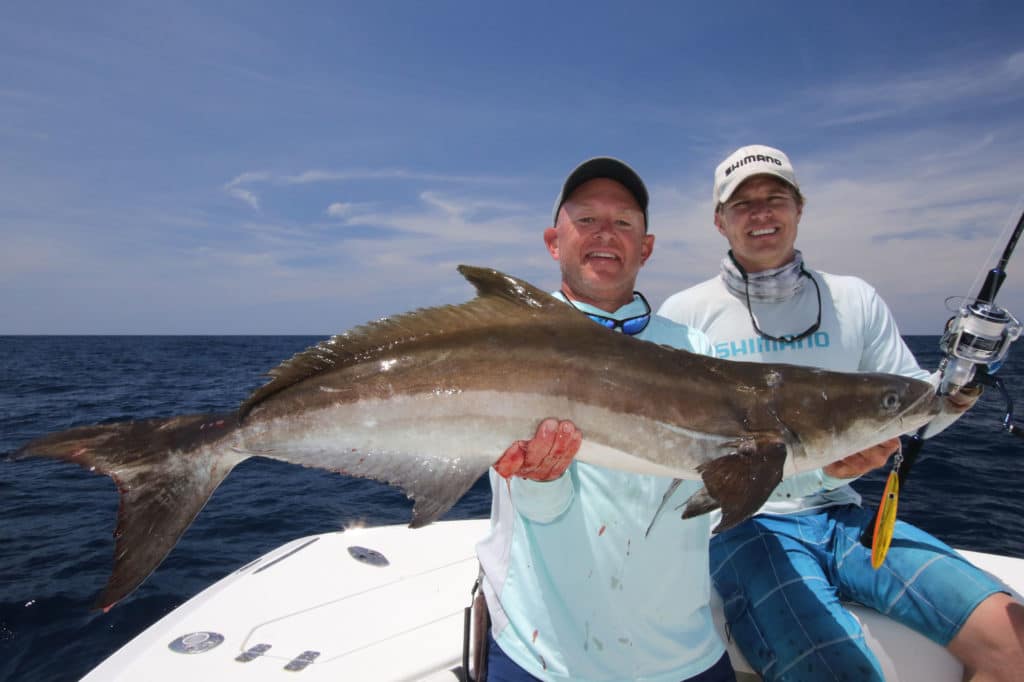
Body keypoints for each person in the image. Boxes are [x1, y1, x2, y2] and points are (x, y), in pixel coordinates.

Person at [658, 144, 1024, 681]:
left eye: (775, 198)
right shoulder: (684, 315)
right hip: (741, 526)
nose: (762, 214)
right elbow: (678, 455)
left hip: (848, 516)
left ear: (799, 209)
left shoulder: (855, 299)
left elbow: (915, 409)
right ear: (720, 220)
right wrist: (820, 465)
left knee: (1013, 643)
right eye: (743, 204)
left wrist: (961, 382)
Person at [475, 157, 736, 682]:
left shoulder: (695, 349)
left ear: (646, 246)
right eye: (587, 219)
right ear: (554, 241)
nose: (605, 234)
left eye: (623, 222)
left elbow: (722, 478)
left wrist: (831, 468)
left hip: (684, 653)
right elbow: (538, 511)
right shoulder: (508, 345)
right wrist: (540, 479)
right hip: (542, 652)